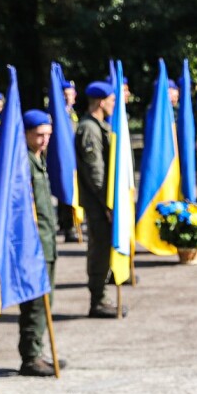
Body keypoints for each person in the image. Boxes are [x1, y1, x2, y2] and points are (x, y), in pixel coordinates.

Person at [18, 110, 63, 376]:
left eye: (48, 134)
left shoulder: (38, 158)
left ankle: (38, 350)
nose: (44, 140)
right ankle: (30, 357)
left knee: (47, 299)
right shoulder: (22, 162)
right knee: (35, 303)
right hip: (33, 244)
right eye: (39, 135)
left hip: (47, 241)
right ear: (25, 133)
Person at [75, 81, 124, 318]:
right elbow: (95, 172)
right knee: (99, 249)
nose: (115, 104)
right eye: (113, 100)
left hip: (102, 202)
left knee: (104, 248)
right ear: (101, 101)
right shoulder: (89, 129)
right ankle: (98, 300)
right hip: (98, 203)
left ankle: (102, 297)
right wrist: (108, 204)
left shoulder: (99, 126)